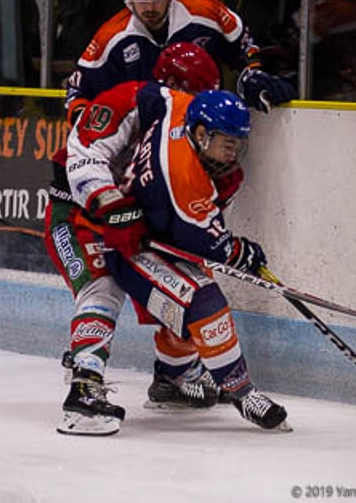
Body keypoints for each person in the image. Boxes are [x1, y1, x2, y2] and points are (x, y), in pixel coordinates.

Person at [47, 43, 224, 436]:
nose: (199, 106)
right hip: (81, 218)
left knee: (187, 282)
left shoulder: (193, 130)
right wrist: (110, 203)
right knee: (103, 287)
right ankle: (84, 388)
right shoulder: (124, 101)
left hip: (136, 227)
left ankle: (174, 378)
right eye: (195, 94)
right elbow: (83, 153)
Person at [105, 88, 290, 432]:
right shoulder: (184, 178)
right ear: (201, 134)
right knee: (204, 301)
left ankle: (169, 381)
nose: (234, 151)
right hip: (130, 248)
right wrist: (243, 253)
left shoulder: (182, 107)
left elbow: (151, 95)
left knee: (188, 306)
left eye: (238, 142)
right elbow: (215, 247)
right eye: (227, 142)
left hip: (150, 234)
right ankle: (241, 392)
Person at [64, 0, 296, 124]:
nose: (150, 6)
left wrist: (251, 75)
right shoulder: (111, 36)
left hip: (202, 128)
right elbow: (78, 91)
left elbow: (245, 49)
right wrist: (89, 124)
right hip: (137, 137)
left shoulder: (206, 14)